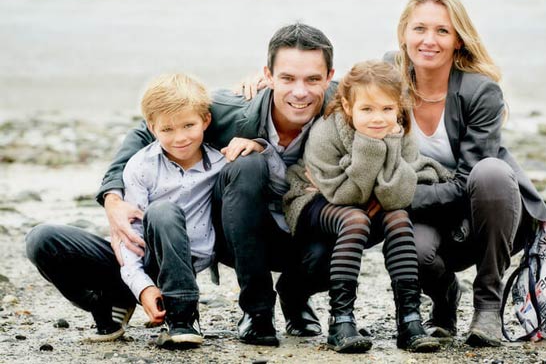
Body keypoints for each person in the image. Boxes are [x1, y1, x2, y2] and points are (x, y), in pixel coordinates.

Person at [96, 23, 337, 346]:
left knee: (355, 221)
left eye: (312, 79)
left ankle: (295, 295)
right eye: (287, 78)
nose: (299, 91)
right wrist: (113, 197)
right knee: (248, 163)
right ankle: (257, 312)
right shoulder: (227, 108)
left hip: (301, 226)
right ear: (267, 75)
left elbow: (391, 94)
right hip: (235, 232)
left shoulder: (345, 107)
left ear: (330, 76)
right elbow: (148, 129)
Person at [386, 0, 546, 347]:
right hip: (432, 216)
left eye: (442, 31)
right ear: (403, 34)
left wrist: (397, 197)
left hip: (487, 212)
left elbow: (467, 182)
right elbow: (334, 95)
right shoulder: (388, 77)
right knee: (410, 249)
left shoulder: (480, 91)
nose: (429, 40)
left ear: (458, 40)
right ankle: (445, 297)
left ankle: (488, 305)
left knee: (489, 171)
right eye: (419, 29)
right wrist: (264, 90)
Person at [24, 74, 227, 347]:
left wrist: (258, 145)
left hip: (180, 264)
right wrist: (142, 287)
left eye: (188, 125)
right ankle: (107, 304)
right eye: (167, 129)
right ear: (152, 128)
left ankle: (182, 318)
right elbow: (129, 236)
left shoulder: (221, 163)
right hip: (135, 258)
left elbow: (271, 173)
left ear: (205, 121)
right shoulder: (140, 166)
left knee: (163, 211)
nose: (180, 137)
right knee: (41, 238)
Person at [284, 61, 451, 353]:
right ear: (348, 107)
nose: (378, 118)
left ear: (399, 107)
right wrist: (370, 147)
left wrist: (388, 158)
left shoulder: (401, 131)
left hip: (368, 198)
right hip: (316, 199)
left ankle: (409, 321)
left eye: (387, 109)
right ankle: (342, 321)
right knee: (355, 220)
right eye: (367, 109)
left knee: (399, 217)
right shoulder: (326, 131)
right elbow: (343, 194)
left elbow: (398, 197)